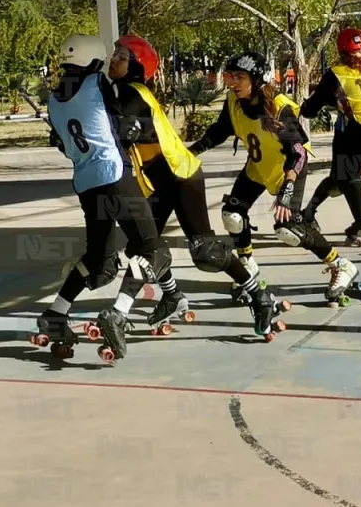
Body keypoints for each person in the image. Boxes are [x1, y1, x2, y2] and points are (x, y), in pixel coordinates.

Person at [109, 35, 287, 340]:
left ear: (137, 66)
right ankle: (171, 296)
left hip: (181, 178)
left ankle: (259, 297)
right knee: (143, 246)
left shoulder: (133, 94)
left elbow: (119, 131)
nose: (113, 60)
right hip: (162, 181)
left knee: (205, 252)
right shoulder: (123, 92)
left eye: (121, 57)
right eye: (114, 55)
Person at [33, 35, 175, 363]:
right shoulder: (97, 82)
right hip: (115, 177)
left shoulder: (54, 101)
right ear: (94, 60)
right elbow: (123, 117)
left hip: (86, 184)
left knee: (99, 260)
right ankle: (118, 313)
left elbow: (65, 144)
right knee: (153, 251)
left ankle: (57, 313)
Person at [189, 52, 360, 307]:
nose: (233, 83)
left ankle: (341, 265)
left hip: (289, 169)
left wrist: (286, 193)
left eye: (240, 77)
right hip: (258, 167)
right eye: (231, 76)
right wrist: (190, 152)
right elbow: (221, 130)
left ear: (256, 79)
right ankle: (247, 266)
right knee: (232, 215)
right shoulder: (234, 100)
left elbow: (298, 153)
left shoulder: (280, 108)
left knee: (287, 230)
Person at [299, 28, 361, 247]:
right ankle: (308, 213)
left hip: (358, 129)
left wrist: (305, 107)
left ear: (341, 49)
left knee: (347, 176)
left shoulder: (338, 71)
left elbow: (311, 108)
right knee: (338, 177)